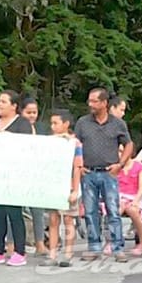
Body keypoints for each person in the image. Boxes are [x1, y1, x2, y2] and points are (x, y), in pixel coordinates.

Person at [75, 87, 133, 262]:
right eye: (90, 101)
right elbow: (76, 144)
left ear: (104, 103)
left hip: (109, 173)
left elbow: (128, 144)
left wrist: (120, 164)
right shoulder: (83, 122)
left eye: (94, 101)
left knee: (113, 211)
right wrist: (79, 165)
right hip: (88, 173)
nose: (90, 104)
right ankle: (94, 246)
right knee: (90, 212)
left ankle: (117, 247)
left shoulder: (117, 124)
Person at [0, 90, 34, 266]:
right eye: (0, 101)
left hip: (13, 174)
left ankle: (19, 251)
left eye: (4, 101)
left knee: (14, 212)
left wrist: (4, 136)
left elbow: (26, 145)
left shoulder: (22, 123)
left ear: (14, 106)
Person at [43, 109, 83, 267]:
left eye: (56, 123)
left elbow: (77, 167)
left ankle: (68, 253)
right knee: (53, 220)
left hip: (69, 186)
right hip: (53, 186)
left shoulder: (74, 143)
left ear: (66, 124)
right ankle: (52, 253)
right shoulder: (49, 142)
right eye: (51, 123)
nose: (53, 126)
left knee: (68, 220)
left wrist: (75, 190)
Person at [20, 95, 48, 255]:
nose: (32, 116)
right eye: (28, 112)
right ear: (21, 112)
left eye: (34, 112)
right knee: (17, 210)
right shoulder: (15, 128)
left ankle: (40, 243)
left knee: (38, 210)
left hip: (37, 174)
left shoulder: (42, 129)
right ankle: (14, 244)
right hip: (19, 173)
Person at [117, 148, 142, 256]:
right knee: (117, 209)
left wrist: (136, 200)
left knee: (133, 210)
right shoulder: (116, 167)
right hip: (120, 196)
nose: (119, 154)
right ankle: (113, 241)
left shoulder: (139, 166)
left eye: (121, 151)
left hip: (135, 196)